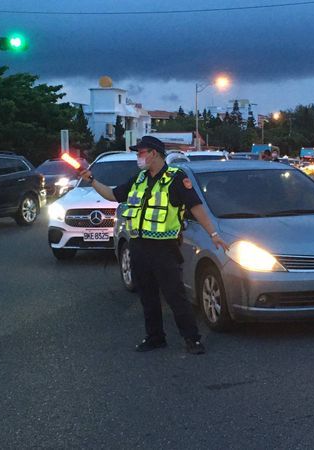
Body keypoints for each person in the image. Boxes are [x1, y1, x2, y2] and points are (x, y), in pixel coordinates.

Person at [80, 136, 228, 355]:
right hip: (139, 246)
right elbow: (113, 195)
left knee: (175, 295)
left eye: (141, 152)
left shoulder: (176, 178)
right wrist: (91, 179)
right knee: (147, 295)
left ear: (155, 154)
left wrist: (213, 234)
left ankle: (192, 339)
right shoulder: (139, 179)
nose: (138, 157)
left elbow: (195, 207)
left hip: (164, 248)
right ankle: (155, 337)